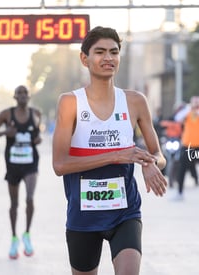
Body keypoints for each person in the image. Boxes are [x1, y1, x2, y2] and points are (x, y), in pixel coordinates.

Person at [52, 26, 167, 275]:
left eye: (114, 52)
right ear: (85, 59)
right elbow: (59, 166)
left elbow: (159, 155)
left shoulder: (135, 101)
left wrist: (149, 163)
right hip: (83, 216)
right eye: (100, 52)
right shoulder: (70, 102)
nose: (108, 58)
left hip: (125, 213)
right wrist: (116, 155)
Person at [0, 85, 42, 259]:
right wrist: (5, 132)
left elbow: (38, 135)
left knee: (30, 198)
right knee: (14, 204)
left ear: (29, 96)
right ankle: (14, 238)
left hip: (31, 163)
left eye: (25, 93)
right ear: (15, 97)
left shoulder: (36, 114)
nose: (23, 96)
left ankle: (27, 234)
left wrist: (38, 139)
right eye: (19, 93)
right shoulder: (6, 114)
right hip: (13, 165)